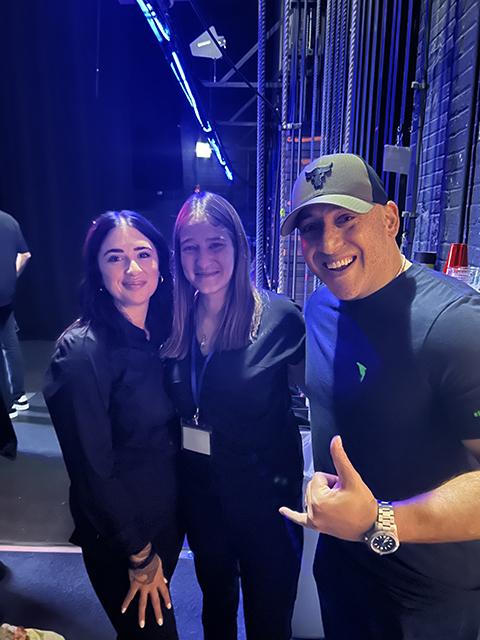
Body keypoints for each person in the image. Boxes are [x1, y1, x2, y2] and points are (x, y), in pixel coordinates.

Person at [279, 153, 480, 640]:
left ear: (389, 220)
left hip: (427, 599)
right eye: (310, 228)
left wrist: (380, 520)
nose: (328, 244)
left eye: (346, 219)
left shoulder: (456, 324)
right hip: (342, 574)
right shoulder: (320, 305)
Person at [163, 191, 305, 640]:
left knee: (270, 618)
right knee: (216, 609)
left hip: (268, 504)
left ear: (238, 246)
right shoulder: (172, 320)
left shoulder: (280, 318)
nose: (203, 260)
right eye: (191, 247)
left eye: (216, 244)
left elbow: (323, 394)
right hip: (204, 499)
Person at [43, 211, 183, 639]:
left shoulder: (162, 332)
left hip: (166, 520)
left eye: (143, 254)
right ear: (98, 271)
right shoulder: (81, 354)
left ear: (161, 262)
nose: (133, 268)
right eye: (115, 258)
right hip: (125, 538)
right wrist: (139, 553)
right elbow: (93, 470)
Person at [0, 209, 31, 456]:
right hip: (6, 295)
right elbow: (25, 254)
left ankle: (7, 404)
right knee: (9, 343)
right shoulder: (8, 219)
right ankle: (19, 396)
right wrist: (11, 276)